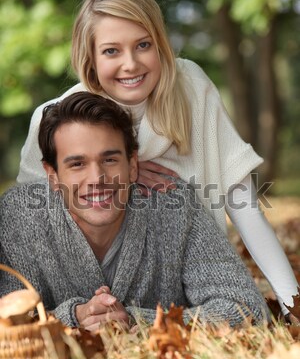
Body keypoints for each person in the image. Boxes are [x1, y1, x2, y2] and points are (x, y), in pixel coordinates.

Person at [16, 0, 298, 319]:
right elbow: (31, 222)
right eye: (111, 51)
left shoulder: (190, 86)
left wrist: (290, 300)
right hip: (89, 291)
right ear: (89, 57)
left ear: (160, 45)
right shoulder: (58, 121)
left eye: (143, 45)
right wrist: (116, 172)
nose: (130, 64)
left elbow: (244, 205)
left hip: (193, 283)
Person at [0, 92, 269, 330]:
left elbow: (247, 308)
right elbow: (7, 321)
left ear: (132, 165)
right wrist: (74, 317)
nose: (97, 178)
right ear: (53, 175)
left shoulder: (173, 205)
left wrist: (135, 321)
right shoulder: (16, 217)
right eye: (77, 164)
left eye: (109, 159)